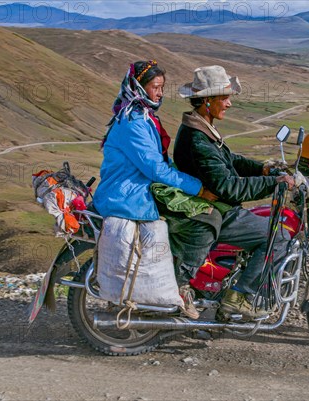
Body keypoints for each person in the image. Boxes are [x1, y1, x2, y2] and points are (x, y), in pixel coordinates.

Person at [93, 60, 217, 319]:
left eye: (162, 87)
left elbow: (160, 163)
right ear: (138, 86)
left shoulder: (141, 115)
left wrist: (189, 182)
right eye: (155, 87)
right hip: (127, 196)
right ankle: (182, 285)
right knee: (203, 220)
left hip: (139, 189)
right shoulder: (133, 123)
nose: (159, 93)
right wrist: (197, 189)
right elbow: (155, 169)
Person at [172, 65, 294, 320]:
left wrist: (263, 169)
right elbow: (228, 186)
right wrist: (275, 182)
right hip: (214, 211)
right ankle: (239, 296)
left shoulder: (202, 128)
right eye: (224, 98)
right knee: (279, 235)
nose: (229, 103)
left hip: (218, 206)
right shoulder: (198, 139)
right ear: (207, 101)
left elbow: (230, 160)